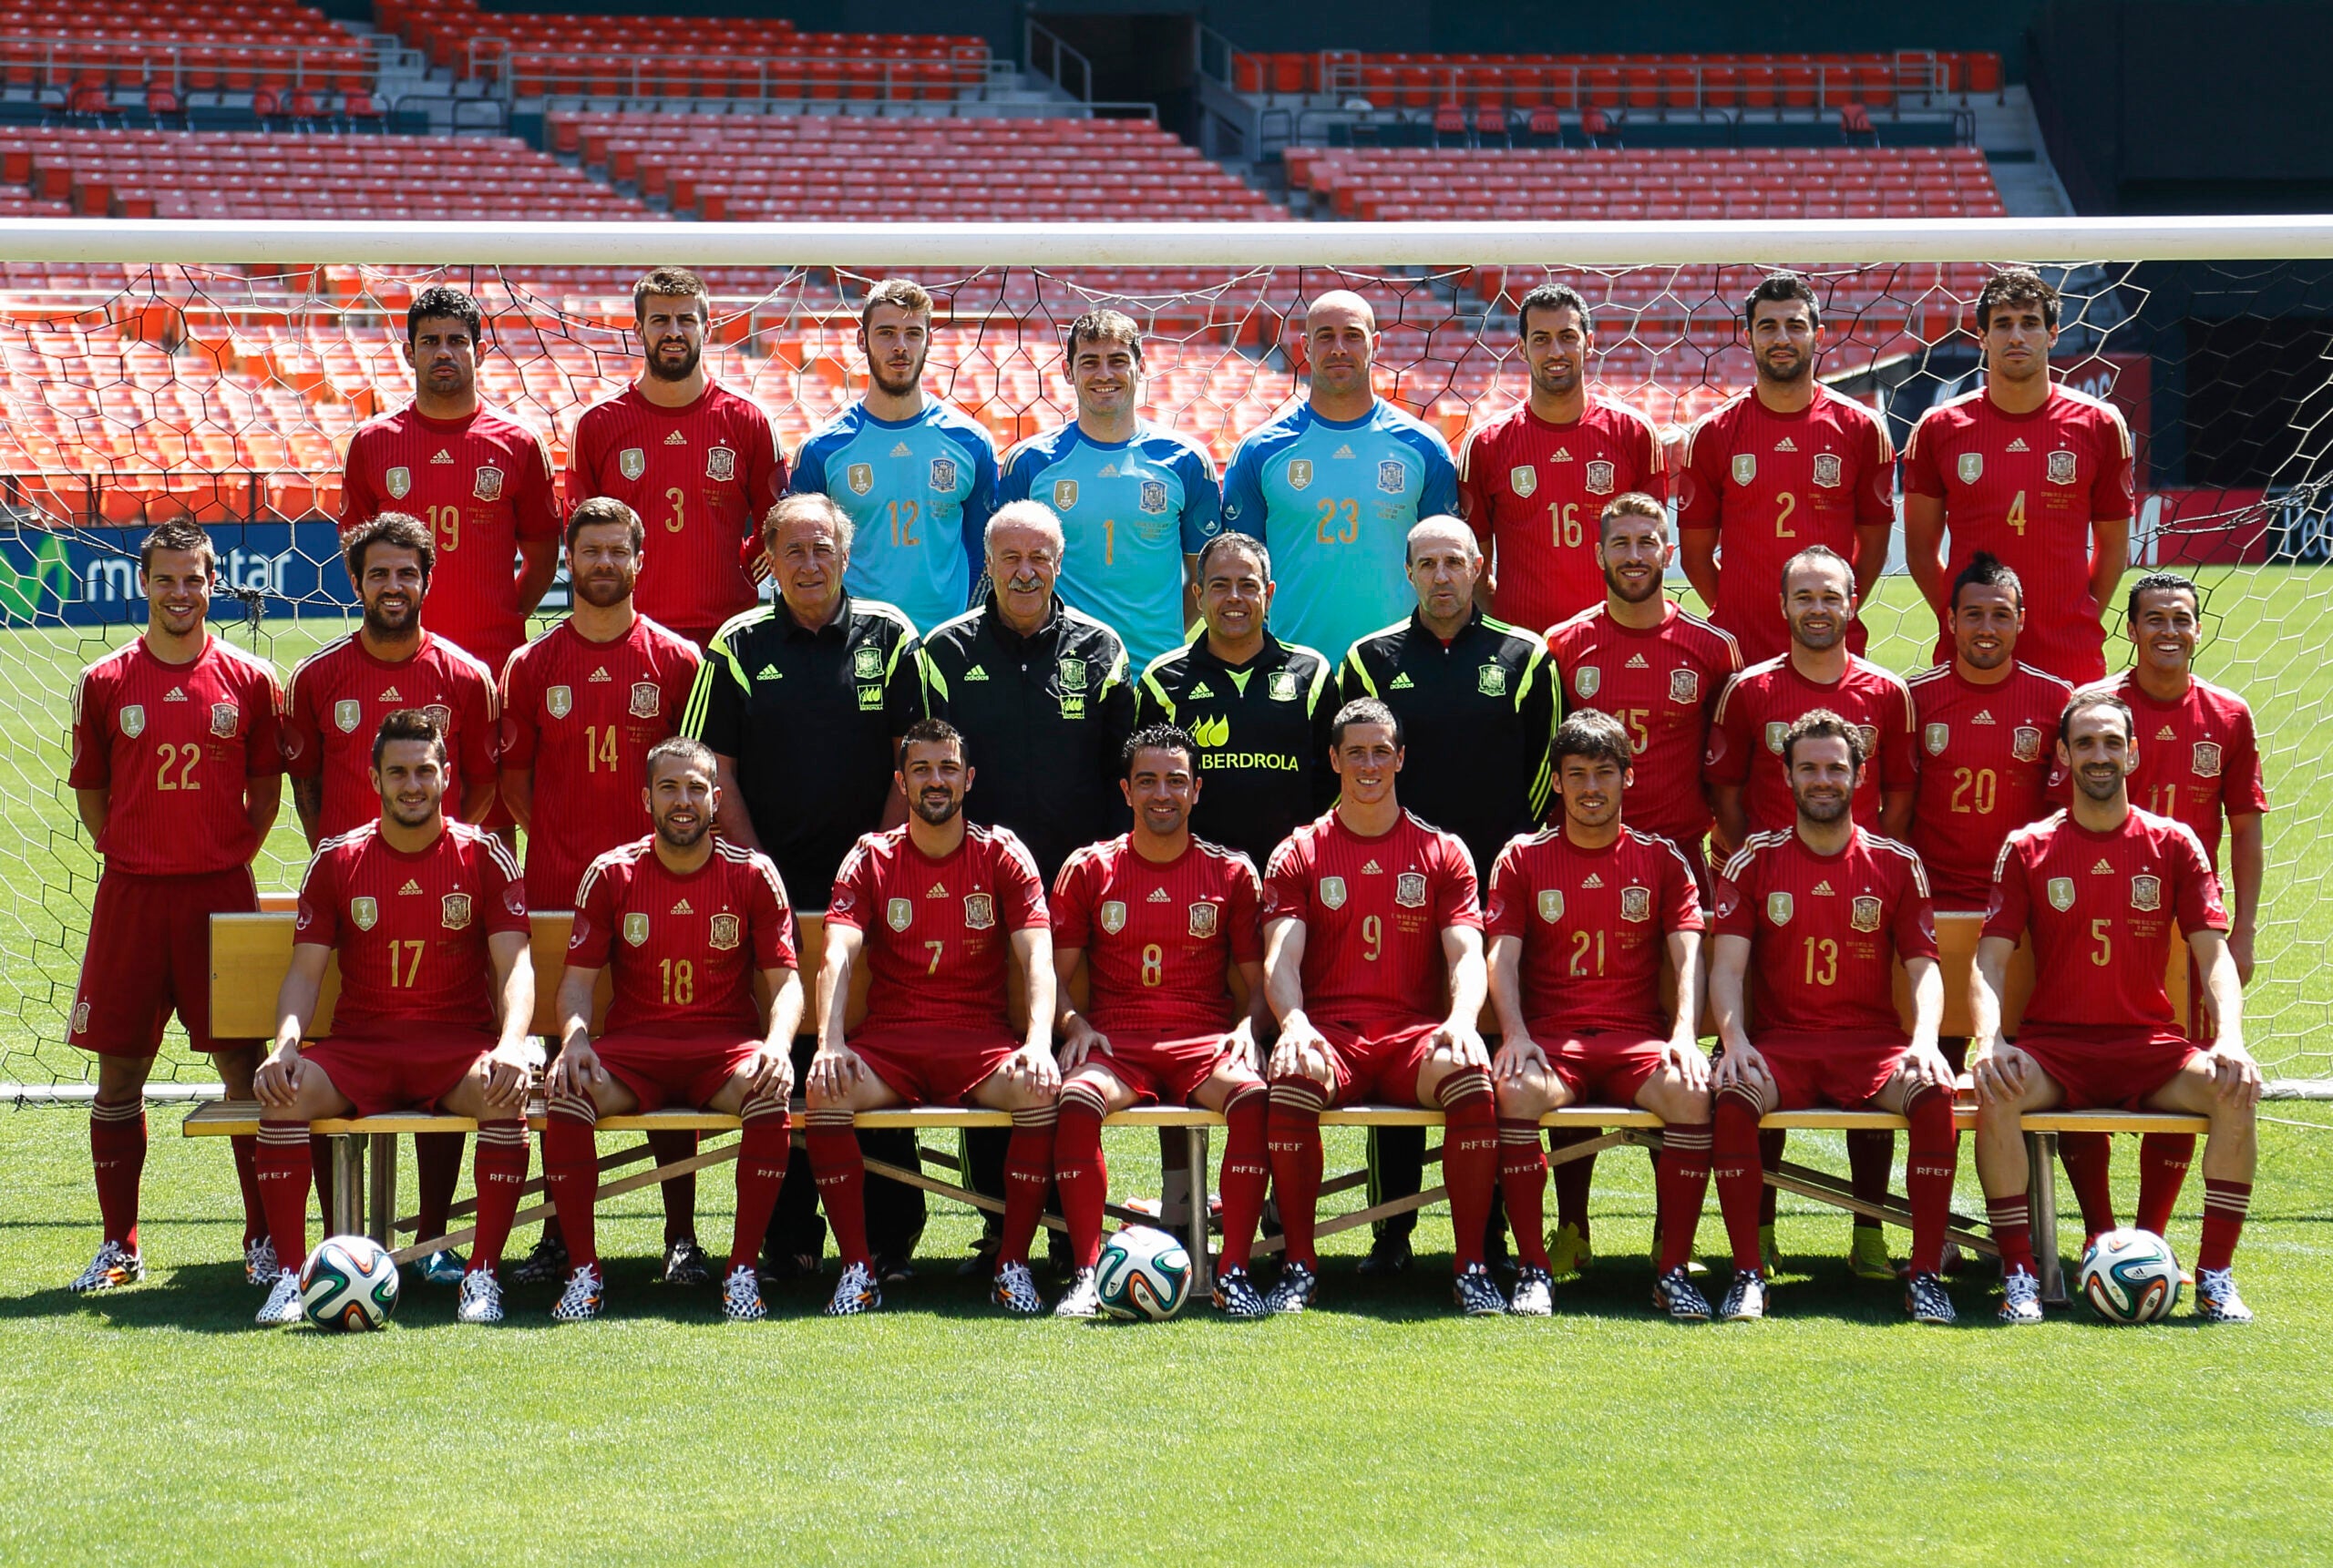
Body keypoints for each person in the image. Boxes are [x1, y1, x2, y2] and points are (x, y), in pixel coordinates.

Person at [683, 490, 930, 1281]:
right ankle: (788, 1238)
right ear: (769, 561)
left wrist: (878, 862)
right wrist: (758, 874)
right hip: (773, 894)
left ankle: (891, 1238)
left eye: (823, 546)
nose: (810, 562)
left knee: (873, 1045)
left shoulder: (891, 635)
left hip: (877, 894)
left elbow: (917, 760)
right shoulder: (736, 644)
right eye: (793, 549)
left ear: (846, 554)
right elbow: (710, 771)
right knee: (786, 1055)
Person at [1970, 690, 2258, 1324]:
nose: (2098, 756)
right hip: (2057, 1050)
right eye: (2084, 743)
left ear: (2133, 753)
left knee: (2235, 1089)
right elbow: (1989, 959)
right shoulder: (2028, 846)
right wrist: (1990, 1039)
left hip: (2148, 1047)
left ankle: (2214, 1277)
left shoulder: (2175, 842)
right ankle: (2019, 1274)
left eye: (2110, 743)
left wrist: (2230, 1037)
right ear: (2063, 755)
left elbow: (2213, 956)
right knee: (1996, 1090)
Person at [247, 710, 536, 1327]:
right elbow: (304, 973)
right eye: (398, 772)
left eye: (424, 771)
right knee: (283, 1092)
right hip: (361, 1046)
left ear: (446, 776)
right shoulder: (338, 859)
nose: (413, 785)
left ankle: (482, 1274)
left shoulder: (484, 854)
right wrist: (286, 1044)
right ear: (375, 778)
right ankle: (292, 1280)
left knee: (504, 1092)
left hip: (454, 1048)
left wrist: (512, 1044)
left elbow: (516, 966)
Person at [64, 522, 283, 1295]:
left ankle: (264, 1238)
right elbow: (93, 791)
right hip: (132, 896)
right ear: (144, 584)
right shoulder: (104, 680)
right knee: (120, 1070)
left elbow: (266, 792)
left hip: (219, 895)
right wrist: (130, 850)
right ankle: (119, 1245)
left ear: (213, 583)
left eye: (193, 579)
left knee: (244, 1067)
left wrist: (224, 852)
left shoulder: (251, 679)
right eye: (166, 579)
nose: (180, 593)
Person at [282, 509, 498, 1282]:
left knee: (445, 1039)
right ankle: (328, 1245)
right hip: (350, 899)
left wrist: (438, 853)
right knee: (337, 1055)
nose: (394, 585)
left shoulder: (467, 677)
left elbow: (483, 784)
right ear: (356, 581)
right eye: (379, 572)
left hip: (442, 892)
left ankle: (435, 1242)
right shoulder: (317, 678)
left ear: (428, 581)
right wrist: (344, 862)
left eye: (407, 572)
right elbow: (307, 785)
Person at [1334, 515, 1553, 1274]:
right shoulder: (1370, 659)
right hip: (1395, 886)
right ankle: (1390, 1232)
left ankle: (1489, 1233)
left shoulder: (1526, 656)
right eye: (1426, 564)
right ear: (1408, 572)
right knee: (1397, 1036)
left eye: (1454, 561)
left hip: (1496, 890)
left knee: (1481, 1054)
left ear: (1479, 565)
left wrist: (1504, 867)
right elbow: (1358, 772)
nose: (1441, 576)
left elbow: (1543, 775)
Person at [498, 495, 706, 1288]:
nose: (605, 563)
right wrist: (568, 845)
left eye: (618, 550)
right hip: (558, 891)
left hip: (659, 890)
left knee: (666, 1046)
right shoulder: (531, 665)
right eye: (591, 551)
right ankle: (559, 1234)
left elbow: (693, 786)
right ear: (569, 562)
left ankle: (682, 1236)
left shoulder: (676, 661)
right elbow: (517, 783)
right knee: (562, 1062)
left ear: (640, 560)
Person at [1537, 492, 1741, 1274]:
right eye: (1619, 542)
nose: (1633, 555)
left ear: (1668, 552)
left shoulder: (1712, 649)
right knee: (1577, 1029)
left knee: (1672, 1048)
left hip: (1678, 870)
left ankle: (1668, 1234)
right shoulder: (1563, 646)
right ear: (1599, 554)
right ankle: (1572, 1226)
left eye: (1646, 542)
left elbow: (1725, 768)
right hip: (1581, 867)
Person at [1705, 545, 1918, 1279]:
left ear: (1853, 603)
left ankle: (1871, 1233)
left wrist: (1864, 866)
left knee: (1867, 1043)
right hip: (1768, 900)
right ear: (1783, 606)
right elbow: (1727, 792)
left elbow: (1900, 799)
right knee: (1764, 1051)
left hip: (1861, 894)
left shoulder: (1888, 692)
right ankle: (1758, 1236)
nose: (1818, 608)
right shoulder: (1750, 689)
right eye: (1804, 596)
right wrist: (1764, 869)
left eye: (1831, 596)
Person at [1706, 711, 1959, 1325]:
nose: (1823, 780)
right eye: (1809, 768)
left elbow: (1925, 968)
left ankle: (1926, 1275)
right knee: (1735, 1095)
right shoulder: (1753, 860)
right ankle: (1747, 1274)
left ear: (1859, 776)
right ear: (1787, 776)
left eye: (1836, 768)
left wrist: (1927, 1040)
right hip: (1781, 1045)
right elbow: (1727, 970)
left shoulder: (1896, 862)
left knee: (1933, 1094)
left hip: (1870, 1047)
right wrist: (1734, 1039)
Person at [542, 738, 803, 1323]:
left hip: (724, 1051)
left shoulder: (753, 873)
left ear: (716, 800)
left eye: (695, 789)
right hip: (634, 1053)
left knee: (768, 1092)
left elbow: (786, 984)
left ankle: (741, 1272)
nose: (682, 801)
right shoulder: (611, 873)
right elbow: (576, 985)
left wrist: (778, 1046)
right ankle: (584, 1273)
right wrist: (575, 1039)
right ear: (647, 800)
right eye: (668, 788)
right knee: (569, 1092)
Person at [805, 719, 1061, 1317]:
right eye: (921, 769)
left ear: (968, 778)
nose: (935, 780)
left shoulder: (1001, 852)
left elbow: (1038, 958)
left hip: (979, 1044)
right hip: (892, 1046)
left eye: (947, 768)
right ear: (902, 782)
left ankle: (1013, 1265)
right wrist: (829, 1043)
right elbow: (837, 954)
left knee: (1039, 1089)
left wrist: (1038, 1042)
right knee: (825, 1091)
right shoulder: (872, 855)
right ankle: (857, 1270)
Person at [1259, 697, 1500, 1316]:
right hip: (1332, 1036)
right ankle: (1299, 1266)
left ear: (1401, 758)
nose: (1370, 764)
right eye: (1357, 752)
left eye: (1381, 751)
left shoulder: (1442, 851)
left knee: (1470, 1076)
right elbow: (1281, 957)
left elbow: (1467, 954)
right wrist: (1294, 1023)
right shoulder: (1300, 851)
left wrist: (1461, 1021)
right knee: (1292, 1074)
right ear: (1334, 759)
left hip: (1410, 1038)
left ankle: (1472, 1266)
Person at [2055, 572, 2269, 1247]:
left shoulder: (2228, 715)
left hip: (2190, 928)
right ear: (2131, 629)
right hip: (2100, 916)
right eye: (2155, 619)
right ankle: (2097, 1231)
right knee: (2082, 1068)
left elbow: (2246, 828)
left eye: (2181, 619)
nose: (2168, 631)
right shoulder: (2096, 709)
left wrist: (2243, 933)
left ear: (2198, 629)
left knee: (2185, 1077)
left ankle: (2148, 1239)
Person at [1485, 712, 1715, 1318]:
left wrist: (1685, 1035)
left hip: (1635, 1042)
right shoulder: (1522, 858)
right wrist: (1514, 1034)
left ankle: (1673, 1269)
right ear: (1557, 782)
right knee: (1514, 1089)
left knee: (1693, 1091)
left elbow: (1689, 955)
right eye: (1578, 774)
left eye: (1604, 773)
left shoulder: (1661, 859)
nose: (1591, 787)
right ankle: (1534, 1269)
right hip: (1554, 1043)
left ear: (1627, 778)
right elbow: (1501, 956)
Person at [1046, 724, 1271, 1317]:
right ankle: (1088, 1274)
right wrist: (1074, 1024)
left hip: (1203, 1042)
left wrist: (1249, 1028)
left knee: (1252, 1097)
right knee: (1076, 1100)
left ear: (1197, 790)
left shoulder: (1231, 872)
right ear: (1125, 791)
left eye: (1176, 780)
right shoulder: (1089, 868)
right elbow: (1052, 978)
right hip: (1119, 1043)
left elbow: (1259, 985)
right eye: (1147, 781)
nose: (1162, 794)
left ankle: (1233, 1273)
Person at [1903, 265, 2135, 687]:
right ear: (1982, 336)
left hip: (2069, 657)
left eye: (2029, 323)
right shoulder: (1939, 427)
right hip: (1971, 661)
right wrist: (1965, 621)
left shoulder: (2100, 424)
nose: (2016, 337)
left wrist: (2078, 617)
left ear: (2053, 334)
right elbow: (1920, 551)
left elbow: (2113, 548)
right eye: (2003, 324)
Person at [340, 282, 560, 691]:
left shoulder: (520, 442)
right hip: (398, 660)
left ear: (481, 352)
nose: (444, 352)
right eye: (430, 341)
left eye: (457, 341)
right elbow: (355, 553)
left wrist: (502, 618)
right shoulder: (372, 442)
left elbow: (544, 558)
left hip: (492, 661)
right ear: (410, 354)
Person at [1220, 289, 1458, 664]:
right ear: (1305, 346)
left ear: (1375, 344)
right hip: (1292, 669)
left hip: (1400, 667)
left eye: (1352, 335)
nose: (1339, 349)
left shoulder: (1423, 448)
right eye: (1325, 336)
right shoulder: (1259, 452)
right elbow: (1239, 573)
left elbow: (1445, 569)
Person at [1676, 271, 1896, 666]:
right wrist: (1737, 614)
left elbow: (1874, 545)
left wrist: (1832, 613)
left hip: (1832, 650)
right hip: (1741, 649)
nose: (1781, 339)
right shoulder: (1714, 432)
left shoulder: (1861, 428)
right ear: (1748, 338)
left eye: (1795, 326)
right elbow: (1695, 556)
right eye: (1768, 327)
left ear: (1819, 335)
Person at [566, 266, 787, 649]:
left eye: (686, 319)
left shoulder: (749, 420)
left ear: (707, 329)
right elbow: (578, 534)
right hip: (629, 636)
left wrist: (738, 575)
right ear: (638, 331)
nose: (673, 331)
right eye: (660, 320)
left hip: (726, 636)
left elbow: (777, 525)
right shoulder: (596, 424)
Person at [922, 499, 1136, 885]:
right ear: (989, 564)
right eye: (1011, 558)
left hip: (1079, 875)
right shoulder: (945, 650)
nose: (1025, 573)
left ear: (1058, 563)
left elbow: (1122, 775)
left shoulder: (1102, 649)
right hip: (975, 875)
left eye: (1039, 558)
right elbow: (928, 775)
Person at [998, 309, 1221, 670]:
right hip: (1058, 671)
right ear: (1067, 371)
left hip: (1154, 672)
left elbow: (1205, 579)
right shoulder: (1030, 463)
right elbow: (1004, 574)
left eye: (1117, 360)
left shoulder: (1186, 461)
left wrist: (1160, 640)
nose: (1104, 374)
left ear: (1141, 367)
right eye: (1089, 362)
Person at [789, 277, 999, 636]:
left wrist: (964, 630)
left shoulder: (971, 442)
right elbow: (801, 555)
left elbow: (986, 553)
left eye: (913, 334)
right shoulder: (823, 450)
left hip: (945, 641)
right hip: (854, 643)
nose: (900, 346)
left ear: (929, 341)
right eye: (886, 333)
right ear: (862, 340)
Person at [1456, 282, 1665, 630]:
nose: (1555, 351)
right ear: (1521, 349)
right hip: (1523, 645)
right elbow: (1474, 568)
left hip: (1612, 642)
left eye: (1567, 337)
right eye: (1541, 339)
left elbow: (1651, 554)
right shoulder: (1486, 444)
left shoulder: (1634, 433)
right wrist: (1509, 631)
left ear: (1589, 343)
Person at [1134, 532, 1335, 871]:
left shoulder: (1312, 673)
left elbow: (1335, 779)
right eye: (1220, 585)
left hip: (1292, 873)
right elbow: (1143, 786)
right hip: (1194, 878)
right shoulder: (1162, 680)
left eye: (1248, 585)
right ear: (1198, 596)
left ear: (1268, 595)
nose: (1234, 597)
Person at [1904, 552, 2074, 917]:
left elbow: (2065, 813)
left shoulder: (2056, 699)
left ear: (2020, 621)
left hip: (2023, 897)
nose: (1986, 629)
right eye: (1973, 615)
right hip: (1932, 894)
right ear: (1951, 620)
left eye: (2001, 615)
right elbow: (1895, 805)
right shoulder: (1915, 697)